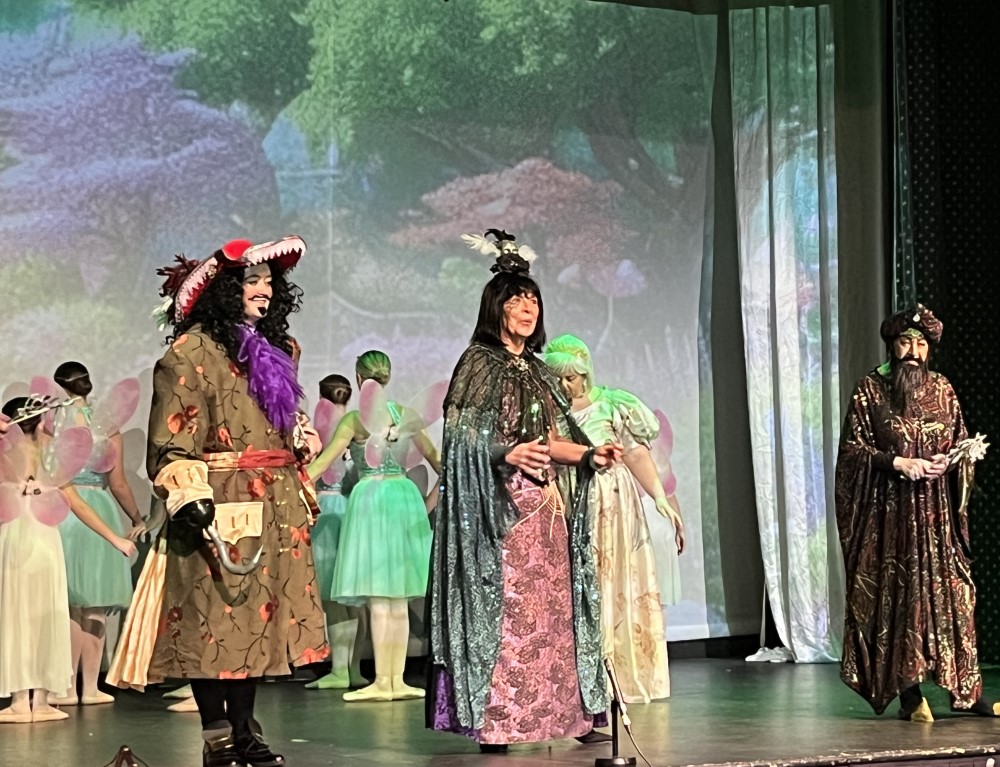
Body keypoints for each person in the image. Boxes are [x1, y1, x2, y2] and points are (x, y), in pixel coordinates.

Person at [108, 237, 328, 767]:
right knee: (213, 621)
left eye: (269, 281)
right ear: (225, 291)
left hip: (273, 504)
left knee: (255, 622)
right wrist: (188, 495)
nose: (264, 290)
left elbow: (278, 422)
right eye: (252, 281)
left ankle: (246, 730)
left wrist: (297, 438)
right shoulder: (190, 353)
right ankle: (217, 735)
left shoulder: (280, 350)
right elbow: (171, 439)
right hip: (218, 502)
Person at [427, 229, 620, 753]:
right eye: (516, 300)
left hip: (547, 514)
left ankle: (566, 715)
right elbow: (462, 441)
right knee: (510, 613)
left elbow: (552, 440)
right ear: (497, 307)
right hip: (501, 515)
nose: (528, 307)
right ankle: (500, 721)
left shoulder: (537, 370)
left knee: (554, 614)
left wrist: (589, 455)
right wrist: (505, 453)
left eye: (533, 299)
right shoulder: (478, 363)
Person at [836, 304, 996, 722]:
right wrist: (896, 463)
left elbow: (960, 441)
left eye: (921, 344)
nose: (913, 351)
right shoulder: (870, 390)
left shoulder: (942, 388)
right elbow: (852, 451)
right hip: (892, 520)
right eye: (906, 342)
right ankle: (909, 696)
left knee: (955, 598)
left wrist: (953, 460)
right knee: (903, 602)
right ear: (892, 345)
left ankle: (968, 692)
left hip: (937, 519)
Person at [543, 333, 682, 704]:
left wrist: (660, 497)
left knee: (615, 578)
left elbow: (635, 454)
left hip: (612, 502)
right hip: (570, 500)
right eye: (557, 378)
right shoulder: (548, 413)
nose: (564, 385)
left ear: (584, 373)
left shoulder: (611, 404)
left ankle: (619, 674)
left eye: (570, 377)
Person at [308, 351, 439, 703]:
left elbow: (322, 463)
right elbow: (440, 463)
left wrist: (291, 483)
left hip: (373, 501)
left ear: (358, 377)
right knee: (398, 598)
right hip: (404, 500)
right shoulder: (407, 415)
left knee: (381, 598)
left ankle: (384, 682)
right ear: (388, 376)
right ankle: (397, 681)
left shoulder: (355, 419)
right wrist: (434, 497)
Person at [0, 398, 135, 725]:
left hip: (16, 539)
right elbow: (79, 505)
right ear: (39, 423)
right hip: (46, 540)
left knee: (18, 616)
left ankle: (20, 701)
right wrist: (116, 539)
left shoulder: (6, 455)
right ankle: (41, 700)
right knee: (47, 616)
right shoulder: (50, 461)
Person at [49, 362, 146, 707]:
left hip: (64, 508)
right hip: (100, 511)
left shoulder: (52, 421)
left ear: (61, 385)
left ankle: (64, 687)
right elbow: (118, 484)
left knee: (68, 606)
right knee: (94, 606)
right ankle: (90, 687)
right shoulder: (107, 425)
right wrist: (137, 517)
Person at [305, 373, 369, 691]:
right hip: (351, 508)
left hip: (326, 509)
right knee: (352, 599)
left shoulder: (323, 423)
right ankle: (352, 668)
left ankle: (340, 669)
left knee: (333, 598)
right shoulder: (359, 423)